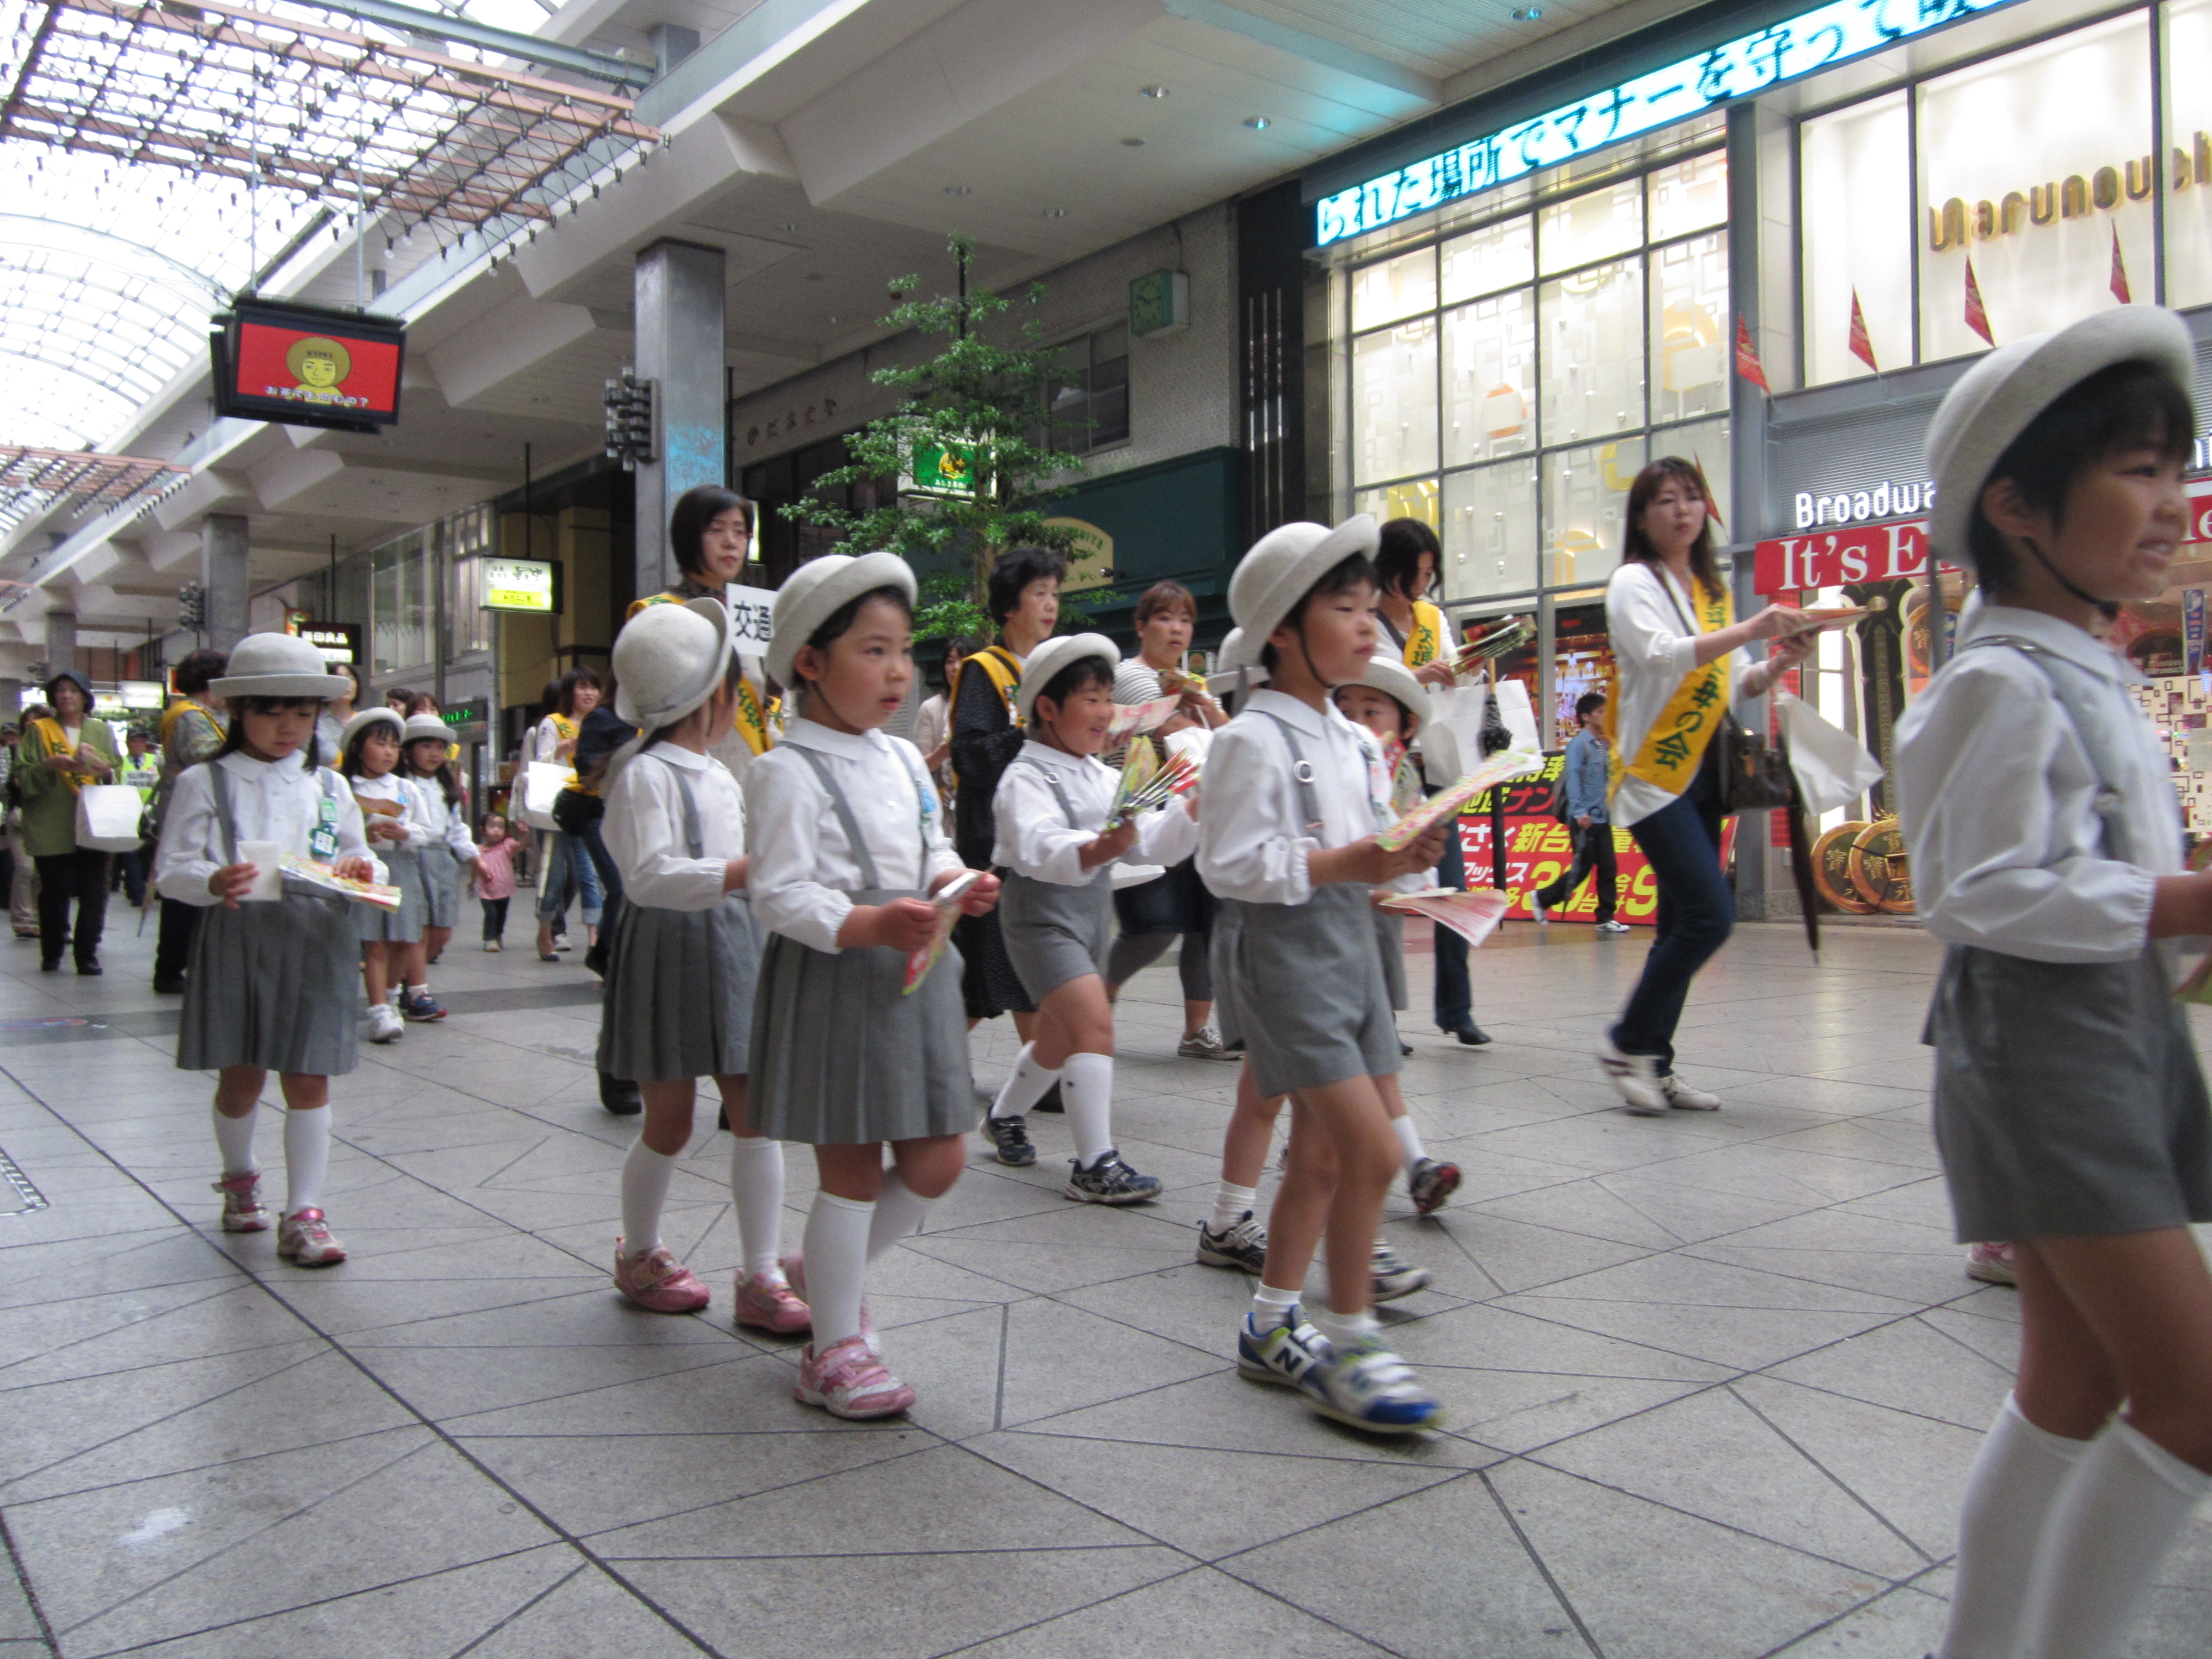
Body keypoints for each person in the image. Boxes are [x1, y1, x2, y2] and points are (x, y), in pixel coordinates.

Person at [1897, 307, 2212, 1659]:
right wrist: (2190, 902)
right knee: (2195, 1399)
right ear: (2016, 503)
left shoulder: (2077, 665)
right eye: (2135, 469)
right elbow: (1972, 889)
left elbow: (2105, 875)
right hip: (2043, 1063)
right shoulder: (2003, 680)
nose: (2169, 502)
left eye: (2171, 467)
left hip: (2099, 1043)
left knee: (2068, 1385)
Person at [1199, 515, 1452, 1433]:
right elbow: (1228, 868)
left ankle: (1271, 1324)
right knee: (1372, 1151)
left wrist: (1413, 865)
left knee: (1314, 1155)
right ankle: (1351, 1339)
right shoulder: (1250, 740)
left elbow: (1373, 849)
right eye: (1342, 609)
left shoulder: (1351, 739)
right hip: (1284, 957)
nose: (1365, 626)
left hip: (1350, 948)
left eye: (1366, 609)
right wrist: (1351, 863)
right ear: (1280, 629)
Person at [745, 552, 1000, 1420]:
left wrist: (954, 878)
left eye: (904, 653)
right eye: (872, 650)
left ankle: (824, 1276)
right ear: (809, 663)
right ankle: (832, 1349)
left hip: (915, 968)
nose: (897, 672)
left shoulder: (899, 759)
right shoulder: (784, 770)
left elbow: (929, 842)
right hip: (838, 975)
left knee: (940, 1158)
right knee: (849, 1170)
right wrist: (867, 924)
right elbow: (779, 894)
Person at [594, 597, 807, 1330]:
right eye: (735, 685)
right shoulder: (644, 775)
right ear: (712, 694)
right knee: (672, 1120)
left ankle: (761, 1272)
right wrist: (740, 874)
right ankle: (641, 1250)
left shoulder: (720, 774)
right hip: (669, 948)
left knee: (755, 1113)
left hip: (734, 941)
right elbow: (646, 877)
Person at [154, 634, 380, 1269]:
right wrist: (210, 880)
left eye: (303, 715)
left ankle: (305, 1213)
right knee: (241, 1076)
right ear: (238, 711)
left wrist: (360, 866)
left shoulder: (329, 786)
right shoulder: (207, 782)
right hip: (238, 935)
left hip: (315, 935)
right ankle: (240, 1177)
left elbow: (355, 851)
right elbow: (171, 868)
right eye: (271, 712)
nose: (288, 728)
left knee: (309, 1076)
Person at [1596, 460, 1813, 1114]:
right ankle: (1626, 1040)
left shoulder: (1710, 590)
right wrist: (1752, 629)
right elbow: (1660, 654)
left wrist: (1779, 660)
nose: (1683, 511)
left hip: (1703, 780)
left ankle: (1654, 1064)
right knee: (1710, 915)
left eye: (1692, 498)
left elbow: (1737, 679)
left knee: (1677, 923)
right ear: (1641, 517)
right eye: (1666, 500)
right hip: (1650, 777)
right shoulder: (1631, 582)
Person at [979, 634, 1199, 1200]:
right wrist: (1102, 846)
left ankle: (1003, 1117)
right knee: (1094, 1025)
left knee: (1057, 1038)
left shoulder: (1103, 776)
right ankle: (1095, 1165)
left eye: (1108, 698)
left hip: (1088, 916)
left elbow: (1149, 842)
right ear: (1047, 709)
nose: (1107, 713)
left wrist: (1194, 808)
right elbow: (1038, 846)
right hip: (1038, 920)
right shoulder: (1025, 777)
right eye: (1092, 699)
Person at [1104, 581, 1234, 1060]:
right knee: (1155, 924)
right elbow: (1173, 729)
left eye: (1185, 621)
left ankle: (1197, 1031)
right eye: (1165, 618)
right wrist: (1203, 714)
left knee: (1205, 922)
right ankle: (1100, 992)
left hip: (1192, 812)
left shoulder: (1190, 686)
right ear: (1142, 626)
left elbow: (1232, 739)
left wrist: (1207, 704)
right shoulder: (1133, 676)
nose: (1177, 629)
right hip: (1143, 810)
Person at [1373, 518, 1490, 1048]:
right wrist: (1415, 677)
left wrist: (1471, 665)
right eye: (1413, 573)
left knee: (1451, 885)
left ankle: (1457, 1009)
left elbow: (1458, 678)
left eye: (1428, 573)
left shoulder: (1432, 618)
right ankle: (1382, 1019)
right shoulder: (1362, 617)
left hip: (1436, 765)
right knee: (1385, 893)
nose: (1421, 583)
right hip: (1384, 767)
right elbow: (1362, 685)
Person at [950, 546, 1062, 1036]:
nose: (1051, 604)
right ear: (1009, 606)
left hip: (1038, 834)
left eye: (1055, 594)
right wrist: (1029, 730)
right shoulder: (985, 671)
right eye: (1039, 593)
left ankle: (1038, 1075)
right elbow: (970, 756)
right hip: (993, 841)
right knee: (988, 965)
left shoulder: (1054, 673)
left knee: (1018, 963)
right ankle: (939, 1060)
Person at [627, 486, 776, 784]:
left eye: (740, 531)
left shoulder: (749, 613)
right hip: (685, 779)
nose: (731, 542)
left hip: (747, 777)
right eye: (716, 530)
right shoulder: (658, 614)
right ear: (688, 536)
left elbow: (763, 698)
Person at [17, 669, 120, 975]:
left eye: (73, 690)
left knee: (94, 891)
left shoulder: (101, 730)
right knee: (53, 890)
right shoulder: (39, 730)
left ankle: (87, 954)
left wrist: (102, 769)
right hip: (52, 820)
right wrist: (50, 765)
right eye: (61, 690)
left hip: (94, 819)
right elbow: (22, 775)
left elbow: (114, 769)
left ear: (85, 696)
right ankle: (51, 952)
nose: (66, 696)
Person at [342, 707, 426, 1045]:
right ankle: (379, 1010)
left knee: (403, 939)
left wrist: (404, 832)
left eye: (394, 745)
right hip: (366, 867)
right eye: (380, 744)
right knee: (375, 941)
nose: (389, 752)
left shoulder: (406, 788)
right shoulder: (345, 786)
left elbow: (427, 830)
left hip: (403, 866)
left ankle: (390, 999)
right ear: (358, 747)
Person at [152, 651, 228, 990]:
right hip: (190, 813)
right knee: (184, 896)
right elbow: (205, 755)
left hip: (180, 809)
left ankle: (173, 965)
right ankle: (171, 968)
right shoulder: (191, 716)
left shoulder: (188, 713)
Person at [1531, 691, 1627, 933]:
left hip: (1602, 816)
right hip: (1584, 818)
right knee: (1582, 869)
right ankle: (1542, 898)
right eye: (1600, 712)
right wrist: (1580, 811)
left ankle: (1605, 917)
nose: (1605, 716)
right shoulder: (1579, 744)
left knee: (1608, 867)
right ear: (1585, 717)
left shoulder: (1603, 744)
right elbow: (1573, 778)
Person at [400, 713, 476, 995]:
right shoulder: (400, 785)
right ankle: (415, 990)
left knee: (442, 929)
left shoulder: (447, 786)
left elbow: (457, 826)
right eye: (426, 746)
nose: (434, 754)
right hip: (412, 856)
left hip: (442, 859)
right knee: (418, 927)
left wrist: (474, 857)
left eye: (439, 747)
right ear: (408, 749)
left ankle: (405, 976)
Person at [534, 669, 605, 959]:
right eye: (582, 687)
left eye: (594, 688)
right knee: (556, 874)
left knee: (590, 875)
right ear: (570, 692)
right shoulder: (554, 724)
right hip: (560, 807)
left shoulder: (600, 724)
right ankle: (544, 931)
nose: (589, 693)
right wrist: (560, 751)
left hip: (590, 805)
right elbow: (539, 762)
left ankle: (594, 937)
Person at [911, 634, 975, 808]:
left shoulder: (989, 706)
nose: (956, 667)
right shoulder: (931, 708)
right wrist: (942, 753)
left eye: (963, 660)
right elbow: (918, 768)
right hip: (945, 809)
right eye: (950, 661)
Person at [112, 725, 162, 910]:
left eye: (141, 741)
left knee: (148, 853)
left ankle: (150, 890)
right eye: (134, 741)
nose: (138, 744)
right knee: (131, 853)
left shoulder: (154, 760)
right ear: (128, 743)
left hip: (149, 812)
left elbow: (159, 785)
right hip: (128, 811)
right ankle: (137, 893)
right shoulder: (121, 763)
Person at [474, 811, 521, 951]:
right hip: (486, 889)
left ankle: (498, 934)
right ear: (482, 830)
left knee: (501, 914)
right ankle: (489, 938)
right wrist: (472, 882)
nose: (496, 830)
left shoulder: (508, 846)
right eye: (492, 826)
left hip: (504, 889)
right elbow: (475, 868)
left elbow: (522, 846)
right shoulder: (478, 850)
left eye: (501, 827)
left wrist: (524, 834)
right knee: (491, 913)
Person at [314, 662, 363, 758]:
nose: (347, 683)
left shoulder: (365, 720)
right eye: (340, 678)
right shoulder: (316, 723)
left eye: (351, 678)